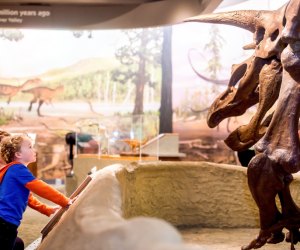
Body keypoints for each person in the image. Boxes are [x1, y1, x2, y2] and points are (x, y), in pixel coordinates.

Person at [0, 134, 73, 250]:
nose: (34, 150)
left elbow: (29, 198)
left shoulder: (14, 170)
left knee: (17, 245)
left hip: (7, 223)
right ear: (18, 154)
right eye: (29, 147)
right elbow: (41, 187)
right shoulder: (17, 169)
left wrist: (46, 209)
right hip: (4, 223)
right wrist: (65, 201)